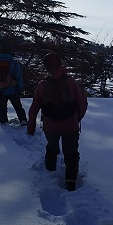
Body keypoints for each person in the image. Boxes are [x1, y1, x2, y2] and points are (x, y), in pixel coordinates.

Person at [27, 53, 88, 191]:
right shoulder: (71, 82)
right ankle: (70, 182)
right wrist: (77, 118)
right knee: (71, 154)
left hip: (50, 126)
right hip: (70, 125)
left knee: (52, 148)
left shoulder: (42, 85)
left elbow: (35, 107)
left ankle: (50, 174)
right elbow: (82, 103)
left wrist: (31, 127)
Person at [0, 44, 27, 125]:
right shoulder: (15, 63)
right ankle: (23, 121)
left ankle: (4, 123)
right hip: (13, 89)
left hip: (0, 89)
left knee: (2, 107)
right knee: (18, 107)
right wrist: (20, 88)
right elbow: (19, 77)